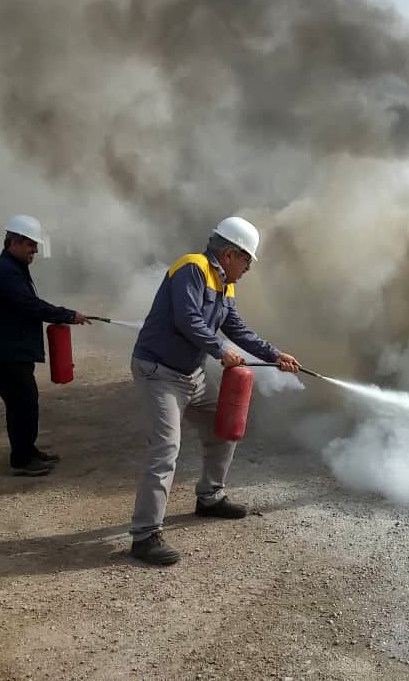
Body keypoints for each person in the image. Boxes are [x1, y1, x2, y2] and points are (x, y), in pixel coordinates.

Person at [129, 216, 300, 566]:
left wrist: (274, 354)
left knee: (224, 428)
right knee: (166, 450)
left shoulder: (225, 286)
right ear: (229, 254)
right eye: (247, 261)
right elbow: (187, 319)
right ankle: (145, 535)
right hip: (159, 372)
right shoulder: (192, 268)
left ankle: (209, 497)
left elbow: (237, 328)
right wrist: (220, 350)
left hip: (190, 375)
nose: (248, 269)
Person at [0, 215, 91, 477]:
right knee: (22, 403)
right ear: (14, 242)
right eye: (31, 245)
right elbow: (31, 306)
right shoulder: (6, 272)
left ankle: (27, 450)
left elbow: (29, 302)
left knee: (25, 402)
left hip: (11, 350)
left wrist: (66, 314)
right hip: (5, 352)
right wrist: (68, 315)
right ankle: (21, 459)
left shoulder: (12, 267)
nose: (36, 251)